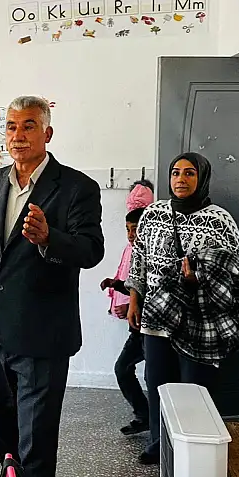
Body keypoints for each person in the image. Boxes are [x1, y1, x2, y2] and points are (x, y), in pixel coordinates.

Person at [0, 96, 105, 477]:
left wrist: (49, 238)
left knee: (35, 438)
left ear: (47, 133)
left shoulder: (76, 187)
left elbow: (91, 250)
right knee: (0, 429)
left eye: (29, 126)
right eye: (12, 126)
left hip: (41, 333)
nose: (18, 135)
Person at [127, 153, 239, 465]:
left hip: (199, 323)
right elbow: (139, 258)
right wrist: (135, 299)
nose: (181, 179)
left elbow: (233, 272)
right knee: (158, 383)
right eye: (176, 173)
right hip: (157, 318)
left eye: (189, 173)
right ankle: (158, 444)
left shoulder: (220, 221)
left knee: (195, 388)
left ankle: (193, 451)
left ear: (202, 178)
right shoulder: (152, 214)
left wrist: (198, 279)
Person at [99, 180, 154, 435]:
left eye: (136, 229)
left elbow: (148, 288)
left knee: (154, 377)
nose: (131, 234)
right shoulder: (131, 250)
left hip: (153, 327)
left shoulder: (155, 254)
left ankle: (157, 426)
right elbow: (133, 284)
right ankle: (144, 415)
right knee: (122, 369)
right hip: (137, 327)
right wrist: (116, 286)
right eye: (128, 229)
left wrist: (126, 298)